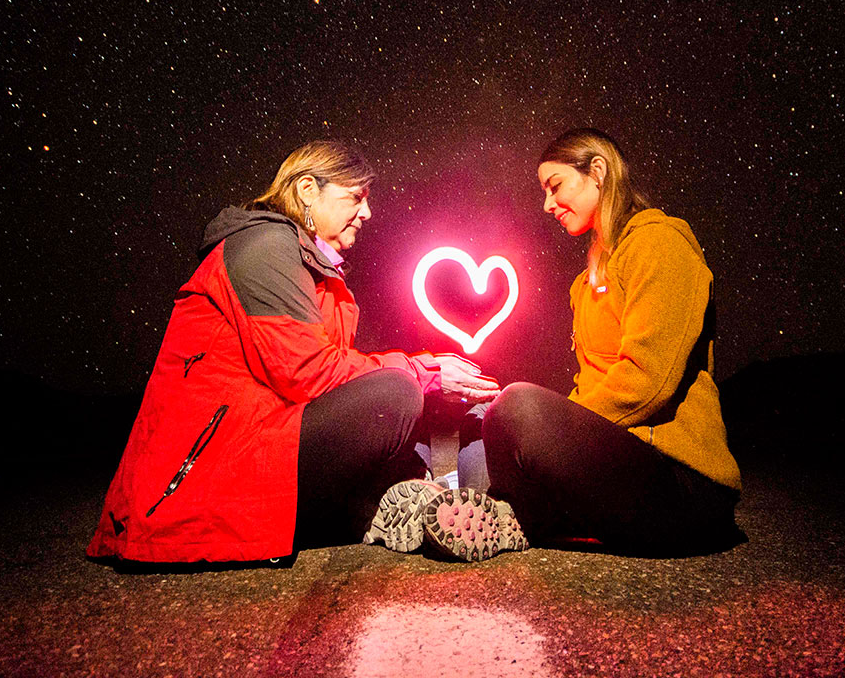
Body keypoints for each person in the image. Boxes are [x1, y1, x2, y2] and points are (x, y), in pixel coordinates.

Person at [87, 140, 499, 565]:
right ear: (306, 189)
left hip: (265, 437)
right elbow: (307, 372)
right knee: (397, 392)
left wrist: (424, 378)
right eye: (355, 197)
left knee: (417, 397)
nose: (367, 212)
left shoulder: (305, 259)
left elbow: (325, 373)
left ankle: (412, 498)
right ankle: (385, 504)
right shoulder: (265, 247)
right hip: (213, 470)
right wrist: (421, 371)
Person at [420, 128, 742, 560]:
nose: (547, 204)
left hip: (679, 485)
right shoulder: (584, 283)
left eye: (555, 186)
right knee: (484, 418)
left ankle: (510, 511)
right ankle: (479, 506)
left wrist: (546, 426)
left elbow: (649, 381)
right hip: (618, 473)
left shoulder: (659, 242)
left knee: (518, 407)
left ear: (598, 172)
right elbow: (591, 387)